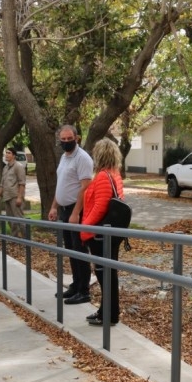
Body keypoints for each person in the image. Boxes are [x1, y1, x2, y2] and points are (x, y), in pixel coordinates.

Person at [80, 139, 125, 326]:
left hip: (100, 234)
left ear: (99, 155)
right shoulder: (115, 174)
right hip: (111, 232)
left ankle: (109, 314)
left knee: (104, 274)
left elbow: (100, 207)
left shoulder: (102, 177)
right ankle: (106, 311)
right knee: (109, 273)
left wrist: (85, 228)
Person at [47, 125, 94, 304]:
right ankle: (76, 285)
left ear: (77, 138)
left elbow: (85, 187)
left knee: (79, 251)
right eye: (63, 139)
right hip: (64, 210)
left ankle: (84, 291)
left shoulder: (82, 158)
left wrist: (76, 213)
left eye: (69, 139)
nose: (66, 142)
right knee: (70, 250)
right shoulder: (64, 157)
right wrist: (54, 206)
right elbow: (62, 184)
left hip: (77, 210)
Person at [0, 147, 27, 238]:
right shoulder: (5, 168)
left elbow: (22, 183)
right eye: (6, 153)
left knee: (19, 218)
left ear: (14, 155)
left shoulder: (18, 166)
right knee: (10, 220)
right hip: (7, 196)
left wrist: (19, 197)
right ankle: (14, 238)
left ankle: (27, 238)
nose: (6, 155)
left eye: (9, 153)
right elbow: (2, 184)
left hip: (15, 196)